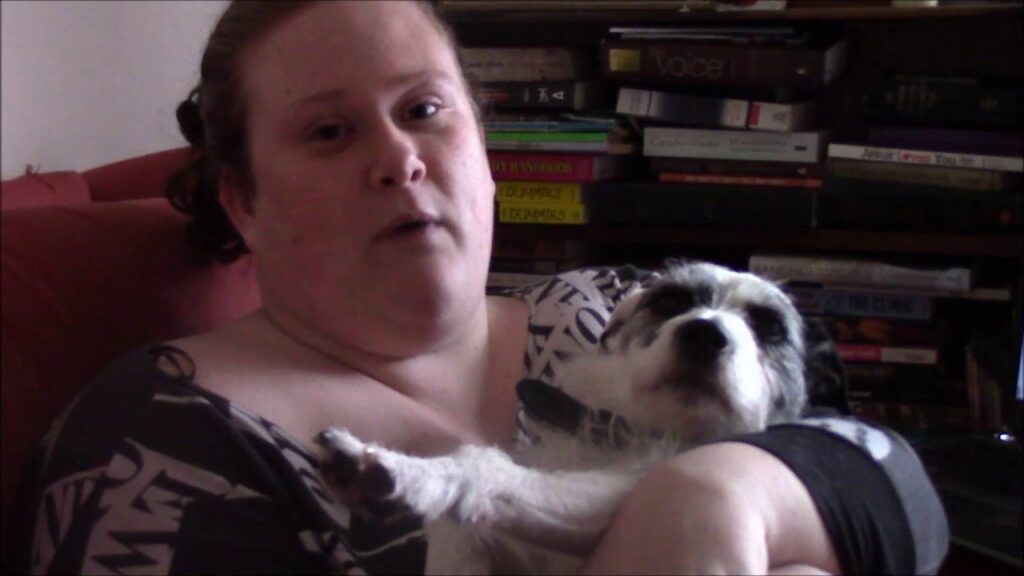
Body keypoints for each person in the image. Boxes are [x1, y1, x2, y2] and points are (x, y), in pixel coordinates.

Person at [19, 1, 948, 574]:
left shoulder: (611, 313)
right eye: (330, 133)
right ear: (245, 201)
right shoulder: (160, 442)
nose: (400, 160)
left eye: (425, 110)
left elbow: (907, 495)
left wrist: (714, 502)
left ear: (485, 148)